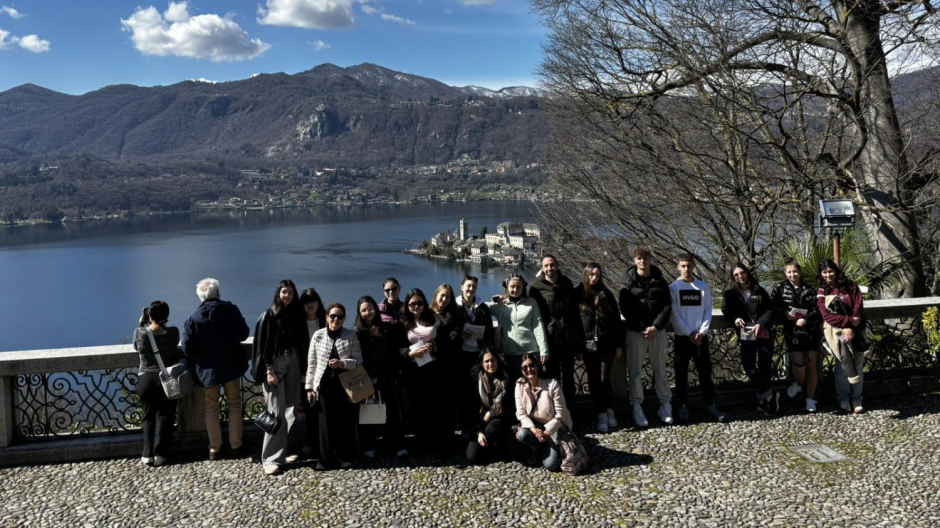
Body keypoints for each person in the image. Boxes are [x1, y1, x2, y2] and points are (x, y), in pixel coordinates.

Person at [181, 278, 250, 461]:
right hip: (231, 365)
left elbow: (188, 349)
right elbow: (244, 333)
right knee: (234, 403)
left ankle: (214, 448)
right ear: (218, 293)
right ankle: (236, 445)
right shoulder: (231, 310)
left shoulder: (194, 318)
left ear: (201, 297)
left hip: (208, 369)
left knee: (211, 408)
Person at [251, 279, 307, 476]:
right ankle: (270, 459)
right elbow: (263, 345)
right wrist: (269, 370)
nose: (288, 295)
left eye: (291, 292)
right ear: (278, 293)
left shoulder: (296, 314)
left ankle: (286, 451)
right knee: (276, 412)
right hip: (275, 364)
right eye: (284, 292)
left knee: (291, 408)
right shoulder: (269, 315)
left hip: (293, 360)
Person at [669, 254, 728, 423]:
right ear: (678, 267)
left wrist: (701, 332)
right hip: (682, 338)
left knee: (705, 373)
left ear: (694, 266)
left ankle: (711, 404)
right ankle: (682, 406)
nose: (686, 269)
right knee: (681, 374)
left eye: (689, 265)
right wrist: (689, 333)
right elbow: (673, 314)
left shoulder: (703, 287)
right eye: (683, 266)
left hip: (701, 338)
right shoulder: (673, 287)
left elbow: (708, 311)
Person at [619, 245, 673, 427]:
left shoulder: (660, 280)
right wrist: (643, 327)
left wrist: (655, 326)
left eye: (646, 258)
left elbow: (667, 306)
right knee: (635, 371)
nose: (643, 261)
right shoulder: (628, 283)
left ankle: (665, 403)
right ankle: (636, 405)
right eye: (639, 258)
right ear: (634, 261)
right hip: (636, 332)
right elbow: (625, 309)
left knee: (661, 369)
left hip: (658, 331)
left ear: (651, 259)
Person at [306, 303, 363, 469]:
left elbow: (359, 360)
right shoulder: (318, 335)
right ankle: (324, 459)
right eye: (332, 316)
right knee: (325, 423)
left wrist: (342, 363)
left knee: (345, 422)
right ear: (326, 317)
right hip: (324, 386)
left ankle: (345, 455)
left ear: (344, 319)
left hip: (345, 385)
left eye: (339, 316)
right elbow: (312, 363)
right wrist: (310, 388)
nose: (335, 319)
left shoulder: (350, 335)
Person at [721, 263, 779, 416]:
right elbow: (725, 310)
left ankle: (764, 403)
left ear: (747, 273)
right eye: (736, 275)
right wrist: (735, 318)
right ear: (733, 277)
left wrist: (761, 323)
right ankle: (770, 395)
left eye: (742, 273)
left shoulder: (759, 290)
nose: (740, 276)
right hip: (746, 331)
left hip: (763, 331)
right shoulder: (730, 293)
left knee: (765, 366)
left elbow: (770, 309)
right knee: (749, 366)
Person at [573, 262, 623, 433]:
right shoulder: (577, 295)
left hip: (606, 343)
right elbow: (573, 321)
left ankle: (608, 409)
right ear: (585, 275)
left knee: (604, 378)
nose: (594, 278)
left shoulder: (606, 294)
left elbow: (616, 320)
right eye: (591, 274)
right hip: (586, 345)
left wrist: (618, 344)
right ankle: (601, 412)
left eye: (597, 275)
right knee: (593, 379)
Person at [354, 295, 406, 457]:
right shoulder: (357, 333)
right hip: (365, 377)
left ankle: (397, 444)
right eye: (363, 310)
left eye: (370, 308)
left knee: (392, 410)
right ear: (359, 313)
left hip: (386, 375)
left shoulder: (386, 328)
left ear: (376, 309)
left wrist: (390, 372)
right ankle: (369, 445)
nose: (368, 312)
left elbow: (393, 352)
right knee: (366, 410)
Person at [528, 255, 584, 403]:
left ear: (557, 266)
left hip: (566, 335)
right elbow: (527, 307)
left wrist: (578, 337)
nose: (549, 268)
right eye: (546, 266)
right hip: (549, 336)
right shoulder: (535, 287)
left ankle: (569, 410)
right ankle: (554, 409)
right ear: (542, 268)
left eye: (552, 265)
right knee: (552, 376)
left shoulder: (566, 283)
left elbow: (574, 311)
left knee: (568, 375)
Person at [133, 300, 182, 467]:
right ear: (166, 316)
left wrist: (141, 323)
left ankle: (147, 455)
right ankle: (160, 454)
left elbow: (136, 346)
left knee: (148, 416)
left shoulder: (140, 333)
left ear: (149, 316)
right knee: (165, 416)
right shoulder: (173, 333)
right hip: (165, 378)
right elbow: (174, 345)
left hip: (146, 379)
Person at [399, 287, 448, 453]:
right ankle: (421, 440)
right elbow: (398, 347)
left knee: (434, 403)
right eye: (412, 303)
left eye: (420, 303)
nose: (416, 306)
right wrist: (410, 353)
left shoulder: (434, 319)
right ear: (407, 305)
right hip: (413, 368)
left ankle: (436, 440)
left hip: (433, 367)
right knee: (416, 405)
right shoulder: (402, 322)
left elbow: (444, 340)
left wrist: (432, 347)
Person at [770, 259, 822, 413]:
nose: (793, 274)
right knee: (799, 366)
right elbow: (772, 306)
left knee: (812, 367)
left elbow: (818, 310)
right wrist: (784, 312)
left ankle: (810, 399)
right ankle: (799, 384)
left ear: (800, 272)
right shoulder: (779, 288)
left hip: (810, 331)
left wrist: (805, 319)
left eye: (795, 271)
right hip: (792, 332)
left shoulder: (810, 289)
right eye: (789, 272)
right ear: (785, 273)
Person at [816, 259, 867, 414]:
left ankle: (857, 398)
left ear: (836, 271)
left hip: (857, 331)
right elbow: (827, 316)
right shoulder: (821, 291)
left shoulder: (851, 286)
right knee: (843, 365)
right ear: (821, 274)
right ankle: (843, 398)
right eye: (824, 272)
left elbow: (858, 306)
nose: (828, 274)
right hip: (837, 333)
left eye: (830, 271)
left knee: (858, 364)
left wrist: (852, 325)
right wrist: (847, 324)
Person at [514, 353, 572, 472]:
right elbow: (520, 413)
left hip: (555, 427)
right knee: (522, 435)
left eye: (531, 365)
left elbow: (561, 414)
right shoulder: (520, 385)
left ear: (538, 366)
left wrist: (546, 433)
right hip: (536, 426)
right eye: (525, 367)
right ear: (521, 370)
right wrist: (535, 431)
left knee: (550, 465)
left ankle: (551, 446)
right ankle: (538, 448)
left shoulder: (552, 384)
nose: (529, 369)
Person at [455, 275, 497, 438]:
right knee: (463, 391)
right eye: (468, 286)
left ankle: (478, 425)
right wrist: (460, 335)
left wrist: (488, 353)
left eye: (473, 286)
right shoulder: (455, 306)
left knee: (478, 392)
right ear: (461, 287)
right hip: (461, 355)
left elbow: (488, 331)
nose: (470, 289)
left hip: (478, 355)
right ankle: (465, 425)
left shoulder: (482, 308)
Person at [486, 273, 549, 380]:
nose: (515, 289)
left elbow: (538, 326)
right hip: (510, 353)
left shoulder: (531, 302)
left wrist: (544, 350)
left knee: (533, 384)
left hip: (530, 351)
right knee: (515, 385)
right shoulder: (500, 305)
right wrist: (494, 300)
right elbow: (479, 308)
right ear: (507, 287)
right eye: (512, 287)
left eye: (518, 287)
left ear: (523, 287)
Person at [430, 283, 465, 439]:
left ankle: (448, 438)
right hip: (430, 365)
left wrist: (442, 327)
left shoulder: (455, 317)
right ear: (436, 295)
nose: (444, 299)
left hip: (449, 365)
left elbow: (452, 339)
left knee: (449, 402)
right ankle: (434, 436)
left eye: (447, 297)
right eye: (442, 295)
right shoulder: (428, 314)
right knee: (434, 402)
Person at [466, 350, 512, 465]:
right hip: (480, 420)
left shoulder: (506, 379)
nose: (490, 364)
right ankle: (489, 445)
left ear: (498, 361)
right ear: (482, 364)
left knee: (491, 429)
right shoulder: (475, 381)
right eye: (487, 361)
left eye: (493, 360)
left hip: (501, 418)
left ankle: (501, 444)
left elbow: (510, 408)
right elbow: (469, 410)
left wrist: (491, 414)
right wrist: (478, 432)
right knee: (473, 457)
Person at [298, 288, 326, 456]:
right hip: (304, 375)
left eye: (313, 301)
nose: (310, 305)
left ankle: (324, 443)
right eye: (306, 302)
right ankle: (311, 441)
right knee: (309, 410)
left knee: (323, 410)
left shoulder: (326, 320)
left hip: (323, 375)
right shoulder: (297, 323)